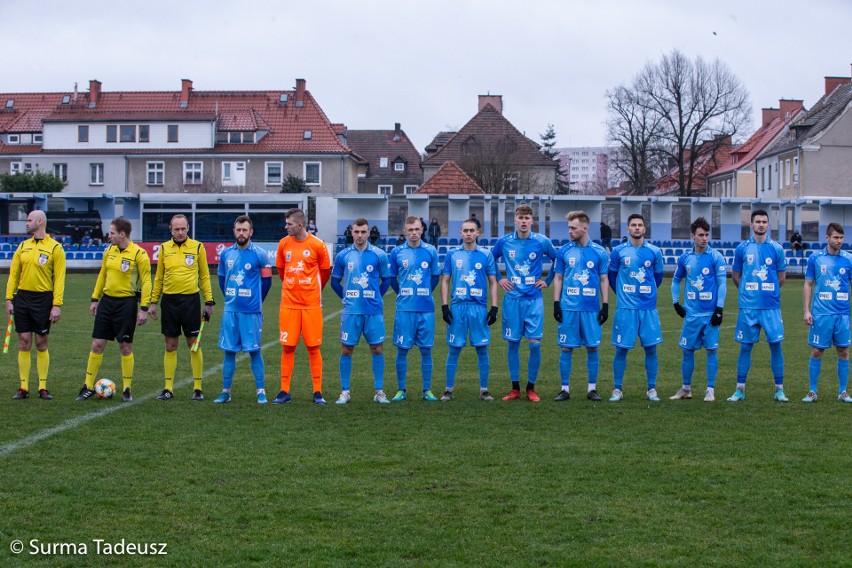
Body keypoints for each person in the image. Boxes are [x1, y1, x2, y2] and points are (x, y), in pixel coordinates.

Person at [76, 217, 152, 402]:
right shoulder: (108, 251)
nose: (108, 236)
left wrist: (143, 308)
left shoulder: (139, 254)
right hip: (106, 303)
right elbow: (102, 275)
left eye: (111, 233)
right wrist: (95, 299)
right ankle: (87, 386)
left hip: (126, 304)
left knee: (125, 346)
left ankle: (127, 388)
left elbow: (147, 281)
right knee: (97, 344)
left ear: (122, 234)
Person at [491, 204, 557, 402]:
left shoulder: (541, 241)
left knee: (535, 345)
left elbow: (558, 260)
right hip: (512, 301)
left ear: (532, 221)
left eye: (527, 218)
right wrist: (499, 278)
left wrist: (547, 281)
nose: (524, 221)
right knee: (513, 344)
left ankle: (531, 388)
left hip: (533, 301)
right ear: (515, 220)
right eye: (520, 218)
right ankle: (515, 389)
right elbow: (489, 259)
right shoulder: (504, 242)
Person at [148, 214, 215, 401]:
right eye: (176, 229)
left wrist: (209, 301)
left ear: (188, 228)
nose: (180, 232)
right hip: (169, 302)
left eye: (183, 228)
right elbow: (159, 277)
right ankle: (168, 388)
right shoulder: (163, 248)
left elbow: (204, 276)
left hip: (191, 302)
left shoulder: (198, 247)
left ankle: (198, 388)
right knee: (170, 345)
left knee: (193, 345)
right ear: (170, 229)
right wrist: (153, 302)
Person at [5, 210, 66, 400]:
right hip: (22, 298)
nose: (26, 223)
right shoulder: (22, 246)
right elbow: (13, 275)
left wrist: (57, 305)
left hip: (43, 300)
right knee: (23, 341)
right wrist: (8, 299)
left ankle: (42, 387)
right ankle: (23, 388)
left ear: (40, 222)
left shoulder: (55, 248)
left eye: (29, 220)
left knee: (41, 342)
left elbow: (60, 279)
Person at [728, 209, 788, 402]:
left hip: (771, 307)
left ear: (768, 225)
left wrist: (767, 292)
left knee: (776, 347)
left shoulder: (777, 249)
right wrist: (749, 291)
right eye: (757, 222)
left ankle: (779, 390)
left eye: (764, 221)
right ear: (751, 225)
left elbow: (781, 277)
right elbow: (736, 276)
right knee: (745, 347)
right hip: (748, 308)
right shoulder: (742, 249)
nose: (761, 224)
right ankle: (740, 389)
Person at [330, 218, 392, 404]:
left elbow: (386, 280)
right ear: (351, 232)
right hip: (351, 311)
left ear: (368, 233)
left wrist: (376, 297)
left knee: (377, 348)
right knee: (346, 349)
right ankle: (345, 392)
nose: (359, 236)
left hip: (373, 311)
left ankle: (379, 391)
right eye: (356, 232)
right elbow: (334, 281)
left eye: (363, 232)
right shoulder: (343, 255)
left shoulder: (379, 255)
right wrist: (347, 298)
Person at [274, 208, 331, 404]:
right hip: (289, 305)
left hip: (311, 306)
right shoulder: (283, 244)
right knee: (288, 348)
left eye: (289, 224)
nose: (286, 227)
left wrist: (311, 291)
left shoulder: (318, 245)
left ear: (300, 225)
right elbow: (281, 271)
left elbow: (324, 273)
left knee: (313, 348)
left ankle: (317, 392)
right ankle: (284, 391)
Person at [214, 215, 272, 404]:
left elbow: (267, 282)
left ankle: (260, 391)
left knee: (254, 351)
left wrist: (256, 302)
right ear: (234, 231)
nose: (241, 233)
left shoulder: (260, 254)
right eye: (238, 230)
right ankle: (226, 391)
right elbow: (222, 280)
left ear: (251, 232)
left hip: (251, 312)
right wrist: (231, 298)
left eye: (244, 230)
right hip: (231, 311)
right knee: (229, 351)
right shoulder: (226, 254)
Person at [552, 211, 609, 402]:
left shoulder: (600, 252)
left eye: (573, 228)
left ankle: (592, 389)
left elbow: (603, 279)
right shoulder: (564, 251)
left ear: (584, 229)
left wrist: (605, 305)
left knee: (592, 348)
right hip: (569, 308)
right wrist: (556, 303)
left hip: (591, 309)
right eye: (568, 227)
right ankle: (564, 389)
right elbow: (558, 278)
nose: (569, 231)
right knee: (566, 348)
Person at [439, 218, 499, 401]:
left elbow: (493, 282)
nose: (468, 233)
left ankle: (484, 390)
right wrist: (444, 306)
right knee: (454, 348)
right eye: (465, 230)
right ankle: (448, 389)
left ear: (477, 233)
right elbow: (445, 280)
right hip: (457, 307)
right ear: (460, 233)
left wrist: (494, 307)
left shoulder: (486, 255)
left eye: (472, 230)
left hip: (478, 308)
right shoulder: (452, 254)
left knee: (482, 349)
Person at [669, 217, 727, 402]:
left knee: (712, 351)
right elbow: (676, 280)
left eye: (707, 235)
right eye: (701, 235)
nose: (704, 238)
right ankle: (686, 389)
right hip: (691, 315)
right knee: (687, 351)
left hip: (710, 315)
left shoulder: (716, 257)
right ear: (692, 236)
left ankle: (710, 390)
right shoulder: (685, 258)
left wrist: (719, 309)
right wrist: (675, 302)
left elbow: (722, 283)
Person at [608, 213, 664, 401]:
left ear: (645, 229)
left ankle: (652, 389)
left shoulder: (654, 252)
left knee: (651, 349)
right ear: (628, 229)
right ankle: (617, 389)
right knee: (621, 349)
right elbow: (612, 277)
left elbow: (657, 278)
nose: (637, 228)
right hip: (625, 309)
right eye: (634, 225)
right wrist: (625, 295)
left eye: (640, 225)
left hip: (648, 308)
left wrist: (645, 293)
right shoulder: (618, 252)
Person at [388, 215, 441, 401]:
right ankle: (401, 389)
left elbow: (435, 277)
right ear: (404, 231)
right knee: (402, 349)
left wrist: (425, 292)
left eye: (417, 229)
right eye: (410, 230)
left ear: (422, 230)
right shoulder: (396, 253)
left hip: (426, 309)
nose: (414, 233)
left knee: (426, 350)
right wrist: (403, 292)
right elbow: (391, 278)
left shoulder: (430, 251)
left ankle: (426, 390)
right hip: (404, 309)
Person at [802, 223, 852, 403]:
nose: (839, 241)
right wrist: (807, 310)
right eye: (836, 237)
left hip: (843, 315)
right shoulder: (815, 259)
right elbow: (808, 284)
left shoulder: (849, 259)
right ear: (827, 238)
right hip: (821, 314)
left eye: (841, 238)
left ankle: (843, 392)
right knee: (816, 351)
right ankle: (812, 391)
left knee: (844, 351)